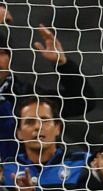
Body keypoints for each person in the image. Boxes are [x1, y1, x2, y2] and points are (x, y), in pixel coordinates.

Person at [0, 21, 92, 160]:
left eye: (1, 53)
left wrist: (63, 64)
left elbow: (83, 101)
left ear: (10, 58)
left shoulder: (26, 95)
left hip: (21, 177)